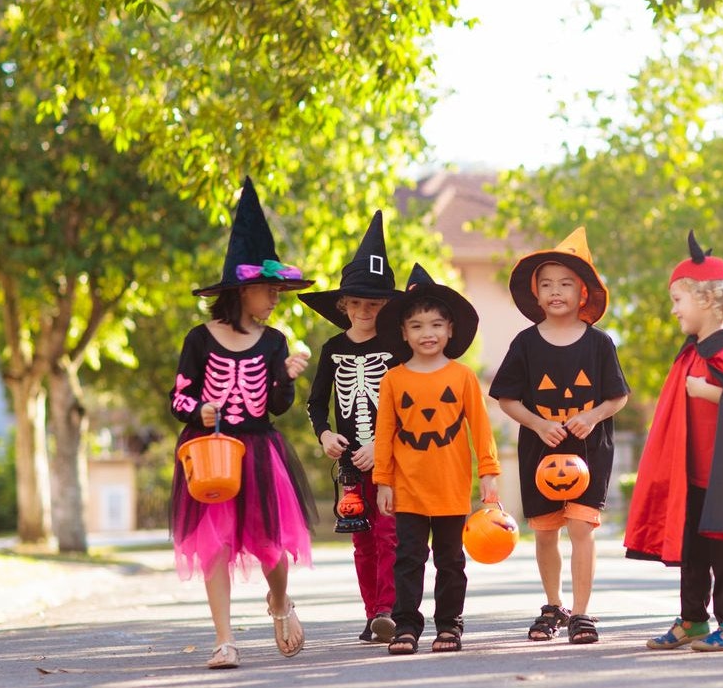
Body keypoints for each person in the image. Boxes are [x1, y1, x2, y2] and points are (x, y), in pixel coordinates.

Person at [168, 176, 319, 669]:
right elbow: (178, 397)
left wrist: (288, 378)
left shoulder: (275, 341)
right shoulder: (200, 337)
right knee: (216, 542)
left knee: (271, 544)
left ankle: (280, 602)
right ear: (240, 290)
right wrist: (199, 410)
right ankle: (224, 639)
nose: (275, 298)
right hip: (209, 450)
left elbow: (274, 407)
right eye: (267, 290)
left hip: (257, 452)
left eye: (277, 290)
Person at [624, 230, 723, 652]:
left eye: (679, 300)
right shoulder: (694, 351)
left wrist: (711, 393)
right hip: (694, 473)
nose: (674, 309)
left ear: (708, 300)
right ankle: (693, 619)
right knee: (692, 547)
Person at [490, 227, 629, 644]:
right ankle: (553, 604)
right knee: (546, 530)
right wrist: (538, 423)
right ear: (536, 294)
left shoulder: (600, 344)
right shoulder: (525, 344)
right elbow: (506, 398)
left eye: (565, 283)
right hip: (540, 448)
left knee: (582, 528)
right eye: (546, 284)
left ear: (583, 293)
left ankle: (582, 613)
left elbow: (618, 397)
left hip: (589, 447)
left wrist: (593, 415)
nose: (556, 291)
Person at [371, 263, 502, 655]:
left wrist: (489, 473)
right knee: (408, 559)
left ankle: (449, 625)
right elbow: (385, 434)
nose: (427, 333)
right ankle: (406, 625)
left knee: (450, 561)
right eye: (417, 326)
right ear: (404, 333)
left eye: (435, 325)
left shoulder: (462, 377)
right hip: (408, 487)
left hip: (451, 484)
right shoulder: (394, 379)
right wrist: (383, 480)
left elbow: (480, 427)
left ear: (449, 330)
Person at [300, 210, 408, 644]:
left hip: (390, 458)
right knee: (360, 539)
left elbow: (408, 406)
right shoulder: (332, 348)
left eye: (375, 304)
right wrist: (325, 435)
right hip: (348, 464)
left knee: (389, 535)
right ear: (343, 305)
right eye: (357, 303)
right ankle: (372, 613)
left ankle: (389, 610)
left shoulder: (397, 348)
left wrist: (385, 446)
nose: (365, 311)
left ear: (387, 307)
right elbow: (314, 404)